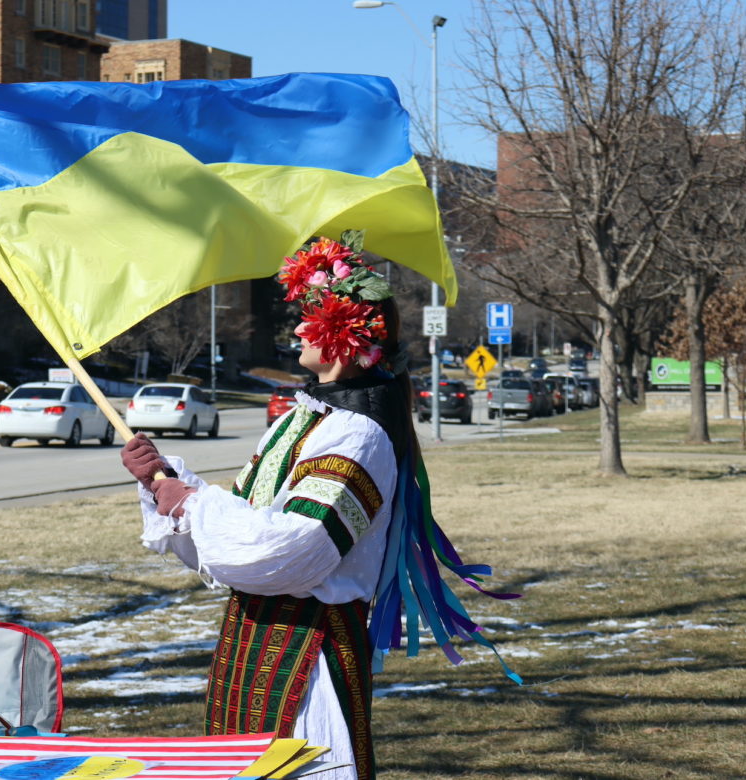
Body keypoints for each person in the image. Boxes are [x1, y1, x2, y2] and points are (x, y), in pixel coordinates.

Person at [121, 234, 519, 780]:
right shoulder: (299, 420)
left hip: (309, 649)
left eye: (312, 316)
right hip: (251, 639)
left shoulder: (360, 436)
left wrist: (190, 503)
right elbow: (234, 535)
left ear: (344, 333)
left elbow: (297, 550)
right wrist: (165, 487)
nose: (300, 328)